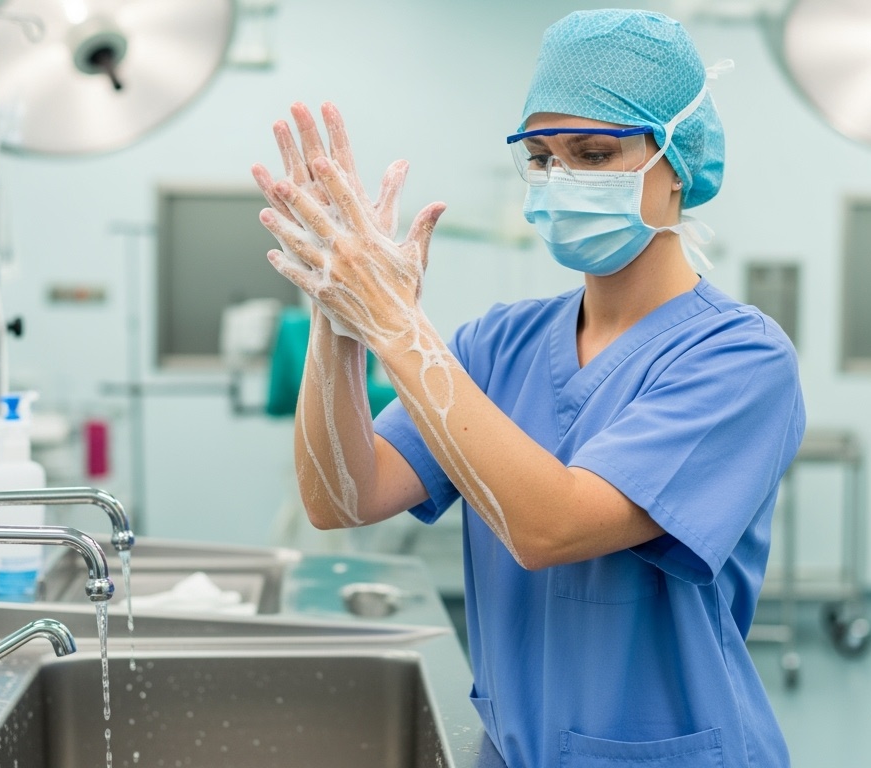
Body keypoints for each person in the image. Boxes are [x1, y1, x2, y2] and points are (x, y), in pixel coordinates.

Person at [252, 9, 803, 767]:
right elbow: (342, 496)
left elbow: (552, 527)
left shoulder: (740, 358)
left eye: (594, 152)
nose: (560, 177)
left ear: (676, 164)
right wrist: (336, 317)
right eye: (541, 157)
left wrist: (394, 323)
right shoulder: (499, 342)